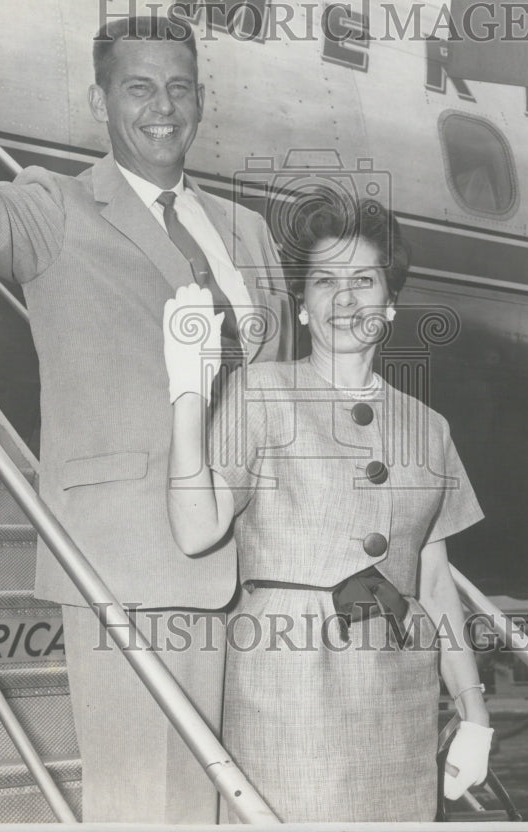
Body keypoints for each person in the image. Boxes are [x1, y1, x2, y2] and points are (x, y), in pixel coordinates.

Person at [0, 0, 290, 823]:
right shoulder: (51, 211)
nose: (163, 106)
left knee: (236, 801)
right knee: (144, 804)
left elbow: (279, 398)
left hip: (256, 563)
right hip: (126, 559)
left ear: (201, 99)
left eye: (180, 86)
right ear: (101, 100)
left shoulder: (249, 232)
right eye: (139, 87)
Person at [163, 192, 493, 822]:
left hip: (399, 699)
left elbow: (431, 578)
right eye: (325, 281)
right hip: (286, 688)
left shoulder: (430, 429)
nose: (345, 299)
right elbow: (195, 528)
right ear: (305, 308)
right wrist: (187, 391)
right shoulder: (260, 391)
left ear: (390, 304)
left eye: (364, 281)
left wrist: (473, 709)